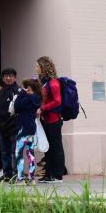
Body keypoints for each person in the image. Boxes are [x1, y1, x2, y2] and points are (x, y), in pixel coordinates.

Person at [35, 56, 66, 184]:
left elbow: (57, 101)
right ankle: (48, 174)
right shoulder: (44, 82)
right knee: (48, 148)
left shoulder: (53, 82)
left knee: (56, 147)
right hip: (45, 119)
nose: (35, 68)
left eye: (37, 66)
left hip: (54, 120)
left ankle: (57, 175)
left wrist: (43, 108)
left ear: (43, 67)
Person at [13, 79, 43, 184]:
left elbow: (16, 106)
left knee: (19, 153)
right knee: (30, 153)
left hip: (22, 129)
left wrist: (21, 94)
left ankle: (20, 178)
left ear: (28, 87)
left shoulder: (25, 98)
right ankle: (31, 178)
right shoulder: (37, 98)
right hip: (31, 129)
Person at [0, 68, 22, 182]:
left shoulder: (18, 90)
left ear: (15, 77)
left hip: (14, 127)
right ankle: (7, 174)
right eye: (5, 76)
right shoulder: (0, 92)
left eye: (10, 76)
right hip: (2, 127)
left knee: (15, 152)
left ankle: (17, 174)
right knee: (4, 152)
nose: (8, 78)